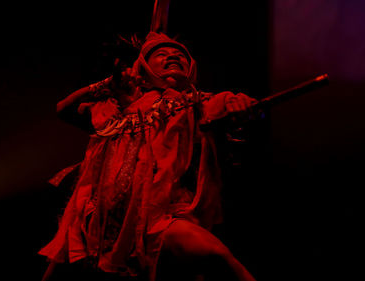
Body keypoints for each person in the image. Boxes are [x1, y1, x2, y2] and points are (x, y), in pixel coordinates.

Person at [39, 32, 258, 281]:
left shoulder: (195, 103)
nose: (173, 56)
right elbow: (64, 109)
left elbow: (225, 103)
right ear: (143, 67)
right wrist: (106, 85)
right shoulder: (113, 108)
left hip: (157, 220)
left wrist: (239, 103)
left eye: (180, 56)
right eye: (161, 54)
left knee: (214, 255)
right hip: (95, 222)